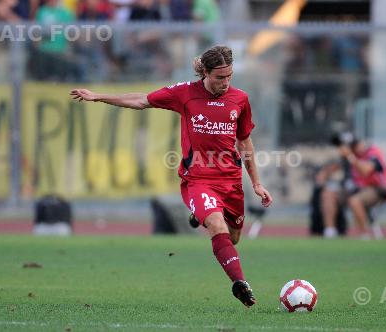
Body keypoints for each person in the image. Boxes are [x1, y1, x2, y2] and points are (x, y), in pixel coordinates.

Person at [70, 45, 273, 307]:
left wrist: (256, 183)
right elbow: (142, 100)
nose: (225, 82)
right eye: (220, 77)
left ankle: (197, 214)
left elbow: (245, 142)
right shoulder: (185, 93)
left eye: (229, 76)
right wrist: (98, 96)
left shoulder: (240, 99)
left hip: (230, 181)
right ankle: (240, 283)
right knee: (216, 225)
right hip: (198, 180)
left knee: (233, 238)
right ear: (206, 74)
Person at [321, 132, 386, 239]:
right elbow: (334, 169)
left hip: (378, 189)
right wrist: (324, 173)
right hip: (358, 189)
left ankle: (364, 235)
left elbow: (366, 170)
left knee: (355, 201)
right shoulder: (350, 157)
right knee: (328, 193)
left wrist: (350, 156)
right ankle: (330, 232)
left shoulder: (372, 153)